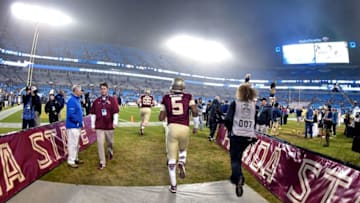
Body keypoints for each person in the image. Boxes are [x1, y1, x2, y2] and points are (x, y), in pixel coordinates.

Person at [159, 77, 198, 193]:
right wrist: (195, 126)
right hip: (185, 128)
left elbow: (161, 117)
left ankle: (174, 186)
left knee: (171, 159)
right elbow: (195, 112)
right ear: (182, 87)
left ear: (172, 87)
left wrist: (166, 111)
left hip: (172, 128)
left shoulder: (166, 97)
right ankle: (182, 162)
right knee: (183, 149)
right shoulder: (188, 96)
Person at [224, 75, 257, 198]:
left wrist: (230, 129)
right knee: (238, 157)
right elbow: (255, 121)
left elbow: (227, 119)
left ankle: (238, 178)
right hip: (248, 136)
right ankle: (235, 177)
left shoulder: (235, 103)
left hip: (237, 134)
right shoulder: (254, 105)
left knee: (234, 159)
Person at [90, 82, 119, 170]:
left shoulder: (112, 100)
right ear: (100, 90)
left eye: (104, 89)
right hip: (99, 126)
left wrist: (115, 122)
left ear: (107, 89)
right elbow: (93, 114)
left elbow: (115, 112)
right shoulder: (96, 101)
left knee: (110, 142)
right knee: (100, 143)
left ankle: (110, 151)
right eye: (101, 89)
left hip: (109, 126)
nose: (103, 90)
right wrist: (92, 125)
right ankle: (102, 162)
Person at [66, 85, 84, 168]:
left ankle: (75, 158)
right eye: (80, 90)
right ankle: (71, 161)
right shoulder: (72, 100)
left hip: (77, 125)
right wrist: (78, 122)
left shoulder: (77, 100)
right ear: (75, 91)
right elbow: (71, 114)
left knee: (76, 144)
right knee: (72, 144)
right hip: (73, 126)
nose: (81, 91)